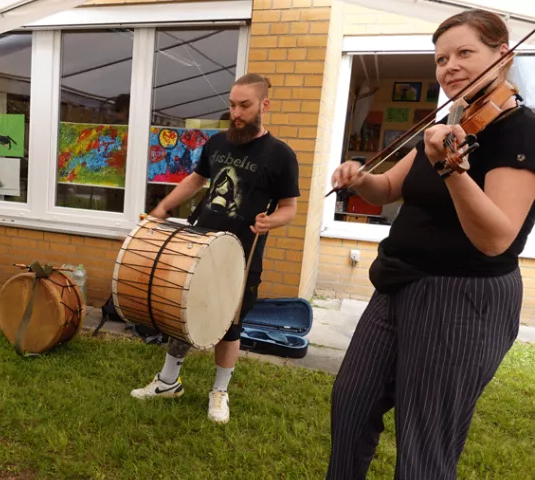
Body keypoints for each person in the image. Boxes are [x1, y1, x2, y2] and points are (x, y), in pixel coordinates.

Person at [326, 9, 535, 479]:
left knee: (425, 439)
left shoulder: (522, 130)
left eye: (465, 53)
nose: (450, 67)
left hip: (461, 297)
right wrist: (361, 178)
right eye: (441, 59)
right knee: (351, 405)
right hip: (398, 283)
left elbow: (497, 238)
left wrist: (451, 170)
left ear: (503, 55)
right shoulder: (447, 124)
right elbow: (390, 189)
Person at [130, 73, 300, 424]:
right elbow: (196, 180)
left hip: (240, 254)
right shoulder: (217, 143)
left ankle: (219, 391)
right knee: (183, 314)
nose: (236, 113)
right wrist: (162, 209)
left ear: (264, 105)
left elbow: (289, 207)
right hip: (198, 244)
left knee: (229, 325)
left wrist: (273, 221)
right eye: (232, 104)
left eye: (245, 106)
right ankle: (167, 382)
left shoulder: (281, 155)